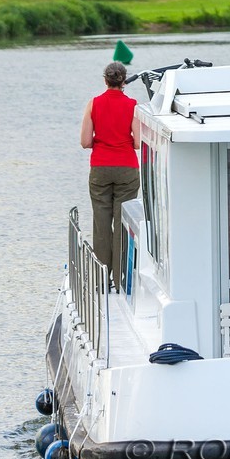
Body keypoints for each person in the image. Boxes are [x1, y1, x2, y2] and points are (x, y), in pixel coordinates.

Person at [80, 60, 140, 291]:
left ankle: (102, 279)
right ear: (124, 81)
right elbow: (137, 142)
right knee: (123, 223)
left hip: (100, 169)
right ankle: (121, 278)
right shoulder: (133, 106)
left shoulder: (93, 104)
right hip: (126, 168)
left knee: (101, 223)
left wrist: (101, 140)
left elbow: (85, 141)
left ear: (105, 80)